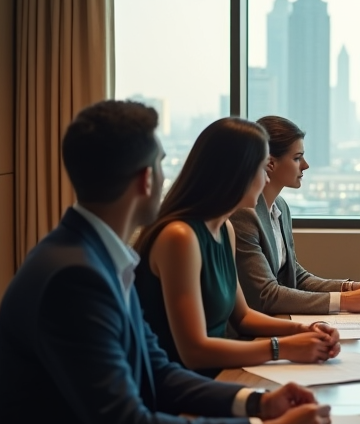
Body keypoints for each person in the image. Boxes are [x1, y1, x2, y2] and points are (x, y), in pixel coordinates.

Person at [0, 101, 331, 424]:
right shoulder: (75, 278)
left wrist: (260, 404)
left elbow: (158, 372)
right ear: (146, 180)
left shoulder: (96, 257)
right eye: (162, 165)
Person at [134, 117, 341, 375]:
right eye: (262, 169)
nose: (266, 180)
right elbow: (194, 352)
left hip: (220, 372)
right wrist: (282, 348)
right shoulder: (180, 236)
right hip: (183, 383)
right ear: (236, 172)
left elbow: (242, 317)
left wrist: (304, 330)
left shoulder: (225, 229)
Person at [231, 116, 360, 315]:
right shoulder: (244, 215)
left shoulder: (280, 207)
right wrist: (343, 301)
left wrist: (350, 288)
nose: (305, 165)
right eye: (297, 158)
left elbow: (295, 276)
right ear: (270, 164)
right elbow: (265, 295)